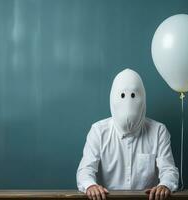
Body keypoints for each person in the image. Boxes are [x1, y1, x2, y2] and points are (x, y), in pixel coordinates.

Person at [76, 68, 179, 200]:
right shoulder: (98, 131)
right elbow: (85, 169)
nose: (128, 102)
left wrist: (165, 185)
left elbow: (169, 169)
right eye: (122, 95)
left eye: (133, 95)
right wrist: (90, 186)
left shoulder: (159, 131)